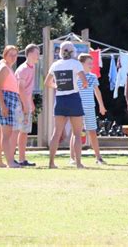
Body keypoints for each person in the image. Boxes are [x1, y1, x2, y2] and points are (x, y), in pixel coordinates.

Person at [44, 41, 88, 169]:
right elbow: (84, 81)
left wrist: (56, 86)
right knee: (77, 133)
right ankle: (78, 163)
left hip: (60, 99)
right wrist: (83, 85)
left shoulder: (55, 65)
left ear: (60, 52)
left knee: (56, 133)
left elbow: (47, 82)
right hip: (73, 98)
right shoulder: (76, 64)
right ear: (73, 51)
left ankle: (51, 163)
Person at [73, 53, 108, 165]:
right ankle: (73, 158)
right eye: (89, 63)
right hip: (78, 107)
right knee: (76, 133)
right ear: (81, 64)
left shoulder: (92, 77)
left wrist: (101, 105)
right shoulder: (76, 76)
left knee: (92, 131)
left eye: (92, 63)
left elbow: (97, 91)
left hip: (90, 107)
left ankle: (98, 157)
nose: (91, 65)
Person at [0, 45, 23, 168]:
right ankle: (10, 162)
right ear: (5, 55)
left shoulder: (8, 68)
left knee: (0, 133)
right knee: (7, 134)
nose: (14, 57)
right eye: (11, 54)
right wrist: (3, 105)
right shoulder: (4, 68)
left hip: (9, 100)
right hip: (5, 101)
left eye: (15, 55)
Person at [14, 44, 40, 167]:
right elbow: (20, 88)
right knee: (16, 131)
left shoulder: (32, 67)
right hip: (19, 104)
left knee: (24, 132)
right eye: (36, 53)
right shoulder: (23, 69)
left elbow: (28, 89)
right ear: (29, 54)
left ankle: (22, 159)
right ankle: (11, 158)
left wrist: (31, 103)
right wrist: (25, 105)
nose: (38, 55)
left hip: (26, 103)